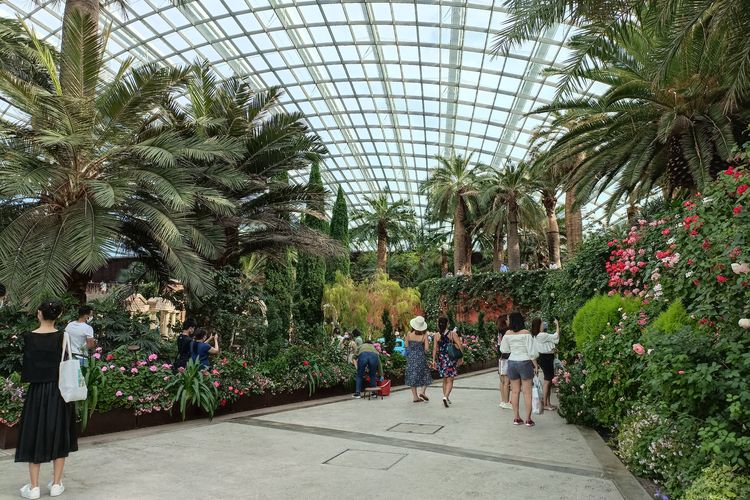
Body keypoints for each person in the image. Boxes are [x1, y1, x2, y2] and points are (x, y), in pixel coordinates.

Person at [15, 300, 78, 499]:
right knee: (59, 433)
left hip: (37, 392)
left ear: (39, 314)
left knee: (34, 433)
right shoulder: (63, 337)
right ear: (58, 316)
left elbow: (27, 369)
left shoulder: (29, 337)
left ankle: (34, 488)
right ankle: (56, 485)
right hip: (59, 392)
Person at [500, 312, 539, 427]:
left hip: (512, 362)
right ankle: (528, 419)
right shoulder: (526, 333)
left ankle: (516, 418)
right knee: (527, 392)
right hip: (525, 362)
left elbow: (504, 349)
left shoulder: (507, 333)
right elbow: (532, 352)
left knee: (515, 391)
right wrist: (535, 364)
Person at [431, 317, 463, 408]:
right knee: (450, 380)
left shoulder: (436, 335)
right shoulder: (452, 334)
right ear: (447, 324)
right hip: (450, 359)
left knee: (445, 380)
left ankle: (446, 396)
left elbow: (434, 349)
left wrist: (433, 360)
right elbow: (459, 345)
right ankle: (445, 396)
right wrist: (461, 357)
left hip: (441, 359)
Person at [533, 318, 560, 411]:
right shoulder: (541, 335)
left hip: (547, 358)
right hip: (545, 358)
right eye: (541, 323)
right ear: (538, 325)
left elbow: (553, 341)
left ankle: (548, 402)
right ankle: (544, 403)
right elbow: (556, 336)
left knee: (549, 380)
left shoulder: (540, 335)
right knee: (547, 380)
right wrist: (557, 324)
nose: (544, 324)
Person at [405, 316, 432, 402]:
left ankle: (415, 397)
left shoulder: (409, 334)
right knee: (426, 375)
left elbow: (406, 346)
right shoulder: (424, 335)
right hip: (421, 357)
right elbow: (427, 349)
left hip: (411, 358)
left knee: (412, 376)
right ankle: (422, 392)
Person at [496, 315, 512, 410]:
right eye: (508, 319)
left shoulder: (500, 331)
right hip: (507, 357)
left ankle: (503, 401)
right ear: (505, 321)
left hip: (501, 357)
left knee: (502, 381)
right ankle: (506, 402)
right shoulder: (508, 332)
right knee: (506, 381)